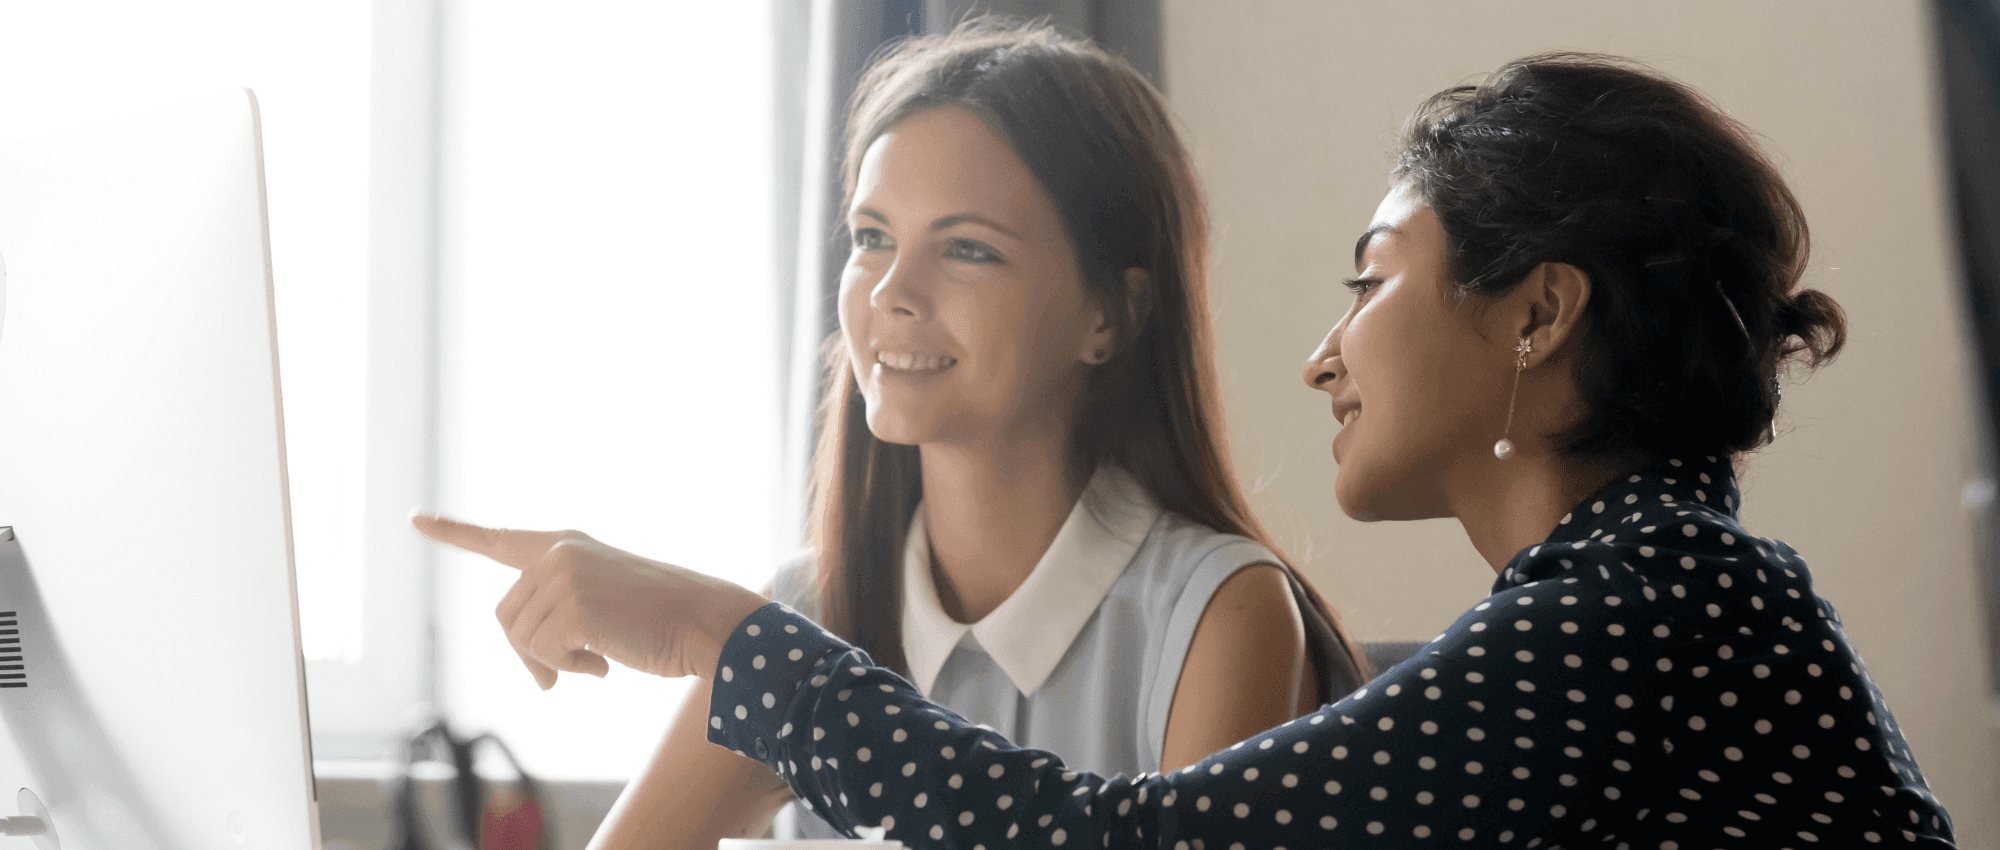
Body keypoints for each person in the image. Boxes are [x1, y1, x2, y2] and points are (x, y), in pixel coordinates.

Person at [416, 53, 1960, 846]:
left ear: (1537, 313)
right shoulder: (1629, 603)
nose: (1324, 346)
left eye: (1371, 280)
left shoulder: (1659, 602)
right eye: (873, 236)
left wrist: (714, 634)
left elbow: (1134, 844)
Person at [458, 20, 1366, 848]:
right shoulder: (810, 609)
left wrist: (714, 630)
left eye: (967, 247)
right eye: (871, 236)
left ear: (1111, 314)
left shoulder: (1221, 613)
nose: (892, 290)